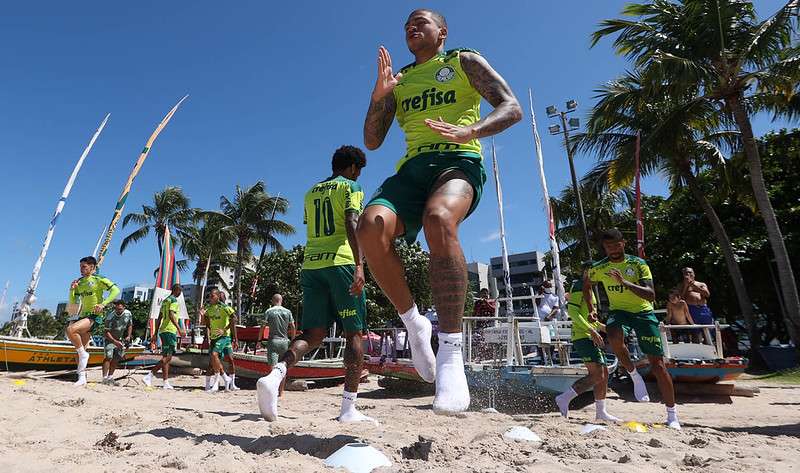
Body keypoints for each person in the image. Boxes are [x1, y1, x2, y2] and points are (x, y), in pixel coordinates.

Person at [357, 8, 522, 415]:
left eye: (421, 22)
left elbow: (511, 107)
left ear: (442, 32)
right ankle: (415, 323)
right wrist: (379, 98)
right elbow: (372, 141)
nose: (412, 28)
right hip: (414, 168)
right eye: (406, 25)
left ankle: (450, 355)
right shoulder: (401, 80)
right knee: (368, 227)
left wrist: (473, 130)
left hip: (458, 160)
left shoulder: (463, 60)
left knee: (438, 219)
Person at [257, 145, 373, 424]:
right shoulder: (351, 187)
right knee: (354, 334)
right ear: (354, 168)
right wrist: (359, 265)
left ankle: (276, 374)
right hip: (341, 263)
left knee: (313, 334)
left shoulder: (311, 193)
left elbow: (311, 227)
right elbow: (351, 220)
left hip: (311, 265)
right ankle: (348, 409)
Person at [583, 229, 681, 429]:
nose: (612, 249)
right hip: (618, 311)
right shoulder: (599, 267)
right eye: (608, 246)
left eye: (615, 245)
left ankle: (672, 415)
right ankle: (634, 374)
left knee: (658, 365)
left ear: (623, 243)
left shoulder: (637, 264)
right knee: (612, 334)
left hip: (643, 312)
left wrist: (624, 282)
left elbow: (651, 295)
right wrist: (592, 309)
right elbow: (587, 284)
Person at [556, 277, 620, 422]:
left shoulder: (590, 289)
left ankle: (601, 412)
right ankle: (564, 398)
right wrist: (592, 330)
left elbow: (590, 319)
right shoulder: (579, 286)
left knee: (603, 373)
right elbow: (573, 312)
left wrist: (607, 329)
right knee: (597, 374)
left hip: (589, 335)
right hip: (582, 337)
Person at [65, 256, 120, 387]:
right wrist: (72, 289)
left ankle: (84, 355)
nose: (81, 269)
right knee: (80, 350)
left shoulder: (99, 279)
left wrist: (103, 304)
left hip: (95, 316)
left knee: (71, 330)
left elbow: (116, 290)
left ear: (92, 267)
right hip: (83, 316)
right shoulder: (79, 282)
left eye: (84, 267)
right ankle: (82, 377)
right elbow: (73, 302)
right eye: (80, 267)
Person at [143, 285, 185, 390]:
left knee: (166, 358)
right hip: (170, 331)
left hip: (162, 330)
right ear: (177, 290)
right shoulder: (174, 301)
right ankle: (149, 375)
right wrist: (179, 328)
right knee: (168, 357)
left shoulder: (165, 301)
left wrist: (155, 332)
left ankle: (165, 382)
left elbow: (159, 317)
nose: (180, 294)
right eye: (180, 291)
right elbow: (171, 315)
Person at [200, 288, 238, 392]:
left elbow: (234, 319)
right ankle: (224, 379)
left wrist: (224, 330)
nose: (210, 298)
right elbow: (205, 324)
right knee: (213, 361)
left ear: (217, 296)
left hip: (224, 337)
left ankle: (219, 383)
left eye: (212, 296)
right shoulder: (208, 308)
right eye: (209, 296)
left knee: (219, 357)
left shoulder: (225, 307)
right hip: (213, 338)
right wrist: (202, 316)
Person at [101, 299, 132, 385]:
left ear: (124, 308)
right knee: (108, 356)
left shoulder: (128, 314)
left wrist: (128, 336)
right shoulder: (110, 316)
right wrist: (114, 341)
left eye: (120, 309)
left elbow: (130, 325)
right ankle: (104, 378)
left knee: (117, 357)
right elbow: (106, 332)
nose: (118, 311)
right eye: (117, 309)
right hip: (110, 338)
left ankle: (110, 377)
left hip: (120, 339)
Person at [261, 293, 296, 366]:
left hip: (273, 341)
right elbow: (293, 326)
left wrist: (259, 340)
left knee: (273, 368)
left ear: (273, 301)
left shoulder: (269, 311)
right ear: (281, 301)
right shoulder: (288, 312)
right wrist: (293, 340)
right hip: (284, 342)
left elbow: (263, 327)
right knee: (283, 367)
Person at [215, 291, 240, 390]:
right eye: (220, 297)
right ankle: (217, 382)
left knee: (231, 360)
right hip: (217, 337)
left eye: (222, 297)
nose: (221, 299)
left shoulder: (228, 309)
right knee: (215, 360)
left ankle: (232, 383)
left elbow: (233, 324)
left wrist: (236, 339)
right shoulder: (215, 309)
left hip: (227, 338)